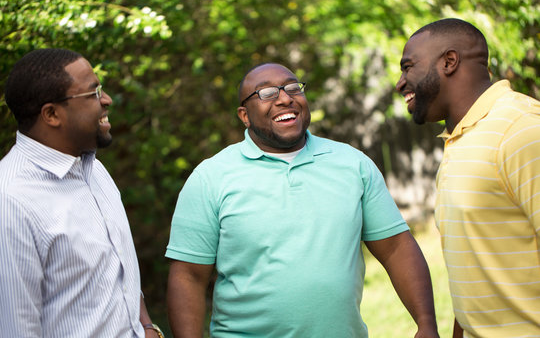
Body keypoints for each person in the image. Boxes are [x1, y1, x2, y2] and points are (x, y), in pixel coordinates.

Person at [166, 62, 439, 337]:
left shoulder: (352, 164)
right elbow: (188, 276)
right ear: (244, 115)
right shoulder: (211, 177)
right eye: (267, 93)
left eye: (293, 87)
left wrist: (426, 323)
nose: (285, 98)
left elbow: (396, 248)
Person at [0, 48, 163, 338]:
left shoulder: (94, 170)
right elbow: (16, 328)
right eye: (93, 93)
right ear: (51, 114)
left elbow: (119, 268)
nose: (107, 100)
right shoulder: (11, 200)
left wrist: (147, 326)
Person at [396, 18, 540, 337]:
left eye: (408, 67)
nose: (400, 82)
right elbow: (477, 265)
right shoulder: (461, 139)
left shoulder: (522, 131)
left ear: (449, 62)